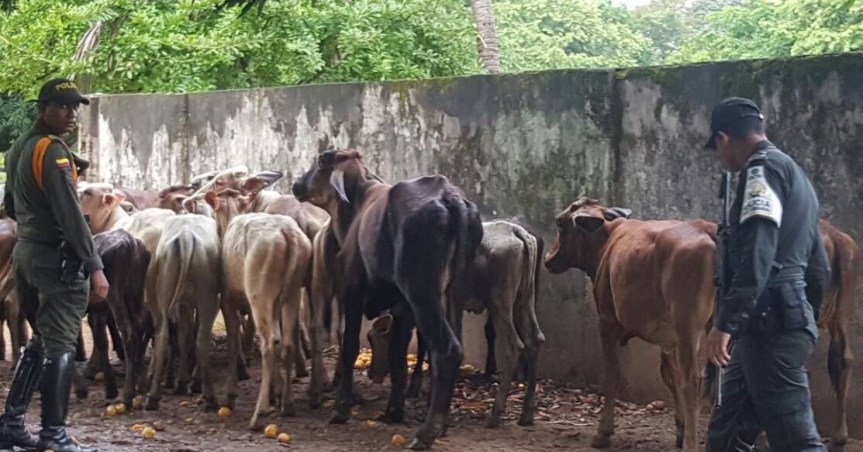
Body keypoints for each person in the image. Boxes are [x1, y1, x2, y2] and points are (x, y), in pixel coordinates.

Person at [701, 97, 827, 452]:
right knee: (727, 436)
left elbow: (757, 253)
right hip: (769, 324)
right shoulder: (792, 171)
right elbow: (819, 264)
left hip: (771, 324)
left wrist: (724, 324)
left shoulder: (761, 171)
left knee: (795, 440)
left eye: (717, 148)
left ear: (724, 138)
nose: (720, 158)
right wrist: (805, 317)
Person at [0, 78, 109, 452]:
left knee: (39, 342)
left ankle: (12, 423)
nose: (71, 114)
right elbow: (70, 214)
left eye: (75, 107)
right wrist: (94, 264)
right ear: (42, 109)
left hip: (27, 254)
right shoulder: (53, 152)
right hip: (55, 260)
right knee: (61, 344)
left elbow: (11, 205)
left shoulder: (18, 148)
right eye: (62, 107)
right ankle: (54, 434)